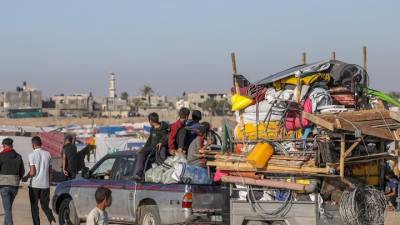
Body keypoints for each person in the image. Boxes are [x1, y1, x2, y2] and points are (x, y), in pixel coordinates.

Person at [22, 136, 56, 225]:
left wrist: (26, 177)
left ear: (33, 145)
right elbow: (50, 171)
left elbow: (33, 172)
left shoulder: (31, 155)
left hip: (34, 186)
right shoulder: (48, 154)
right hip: (45, 185)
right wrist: (49, 182)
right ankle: (52, 220)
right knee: (45, 206)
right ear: (41, 144)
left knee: (34, 207)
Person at [132, 112, 169, 180]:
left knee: (161, 157)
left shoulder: (164, 129)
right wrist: (144, 148)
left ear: (151, 121)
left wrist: (161, 142)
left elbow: (167, 137)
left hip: (159, 149)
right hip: (151, 148)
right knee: (141, 153)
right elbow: (150, 139)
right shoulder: (152, 128)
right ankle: (138, 174)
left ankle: (162, 172)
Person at [0, 138, 25, 225]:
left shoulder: (1, 156)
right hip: (14, 185)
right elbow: (22, 171)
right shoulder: (18, 156)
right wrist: (18, 179)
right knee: (8, 208)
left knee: (7, 209)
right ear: (12, 145)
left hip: (4, 185)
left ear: (4, 145)